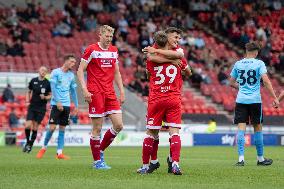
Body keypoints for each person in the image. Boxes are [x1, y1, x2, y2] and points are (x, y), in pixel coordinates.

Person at [137, 30, 191, 175]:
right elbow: (189, 71)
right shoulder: (177, 55)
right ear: (167, 37)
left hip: (156, 99)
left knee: (151, 133)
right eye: (176, 37)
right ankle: (175, 163)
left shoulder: (153, 55)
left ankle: (145, 165)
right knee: (174, 133)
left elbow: (148, 73)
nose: (178, 40)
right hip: (173, 98)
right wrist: (178, 67)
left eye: (180, 37)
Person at [77, 25, 124, 169]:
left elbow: (116, 72)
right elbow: (80, 70)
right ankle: (97, 162)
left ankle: (100, 150)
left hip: (110, 92)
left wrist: (121, 91)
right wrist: (85, 89)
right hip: (95, 92)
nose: (109, 39)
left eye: (111, 36)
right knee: (97, 128)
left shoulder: (114, 51)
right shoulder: (92, 49)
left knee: (118, 125)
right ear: (100, 35)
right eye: (107, 36)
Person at [229, 41, 279, 166]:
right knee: (257, 127)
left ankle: (241, 159)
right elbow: (266, 81)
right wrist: (274, 97)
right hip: (255, 100)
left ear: (246, 51)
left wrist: (240, 88)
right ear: (256, 52)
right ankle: (260, 159)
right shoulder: (259, 63)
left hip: (241, 100)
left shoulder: (238, 64)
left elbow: (231, 82)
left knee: (241, 128)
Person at [36, 54, 78, 160]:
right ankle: (43, 148)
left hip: (67, 105)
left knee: (62, 129)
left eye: (74, 62)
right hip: (56, 104)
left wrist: (76, 105)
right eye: (72, 62)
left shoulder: (71, 75)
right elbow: (53, 88)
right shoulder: (55, 72)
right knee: (52, 127)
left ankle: (59, 153)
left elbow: (73, 91)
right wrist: (58, 101)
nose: (74, 64)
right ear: (66, 61)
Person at [23, 66, 51, 153]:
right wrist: (27, 101)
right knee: (27, 125)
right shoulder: (33, 80)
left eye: (45, 71)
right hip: (32, 106)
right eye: (42, 70)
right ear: (39, 71)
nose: (43, 72)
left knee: (35, 127)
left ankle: (30, 146)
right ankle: (28, 142)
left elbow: (50, 95)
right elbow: (28, 91)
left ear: (46, 73)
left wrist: (45, 97)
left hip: (41, 108)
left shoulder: (47, 83)